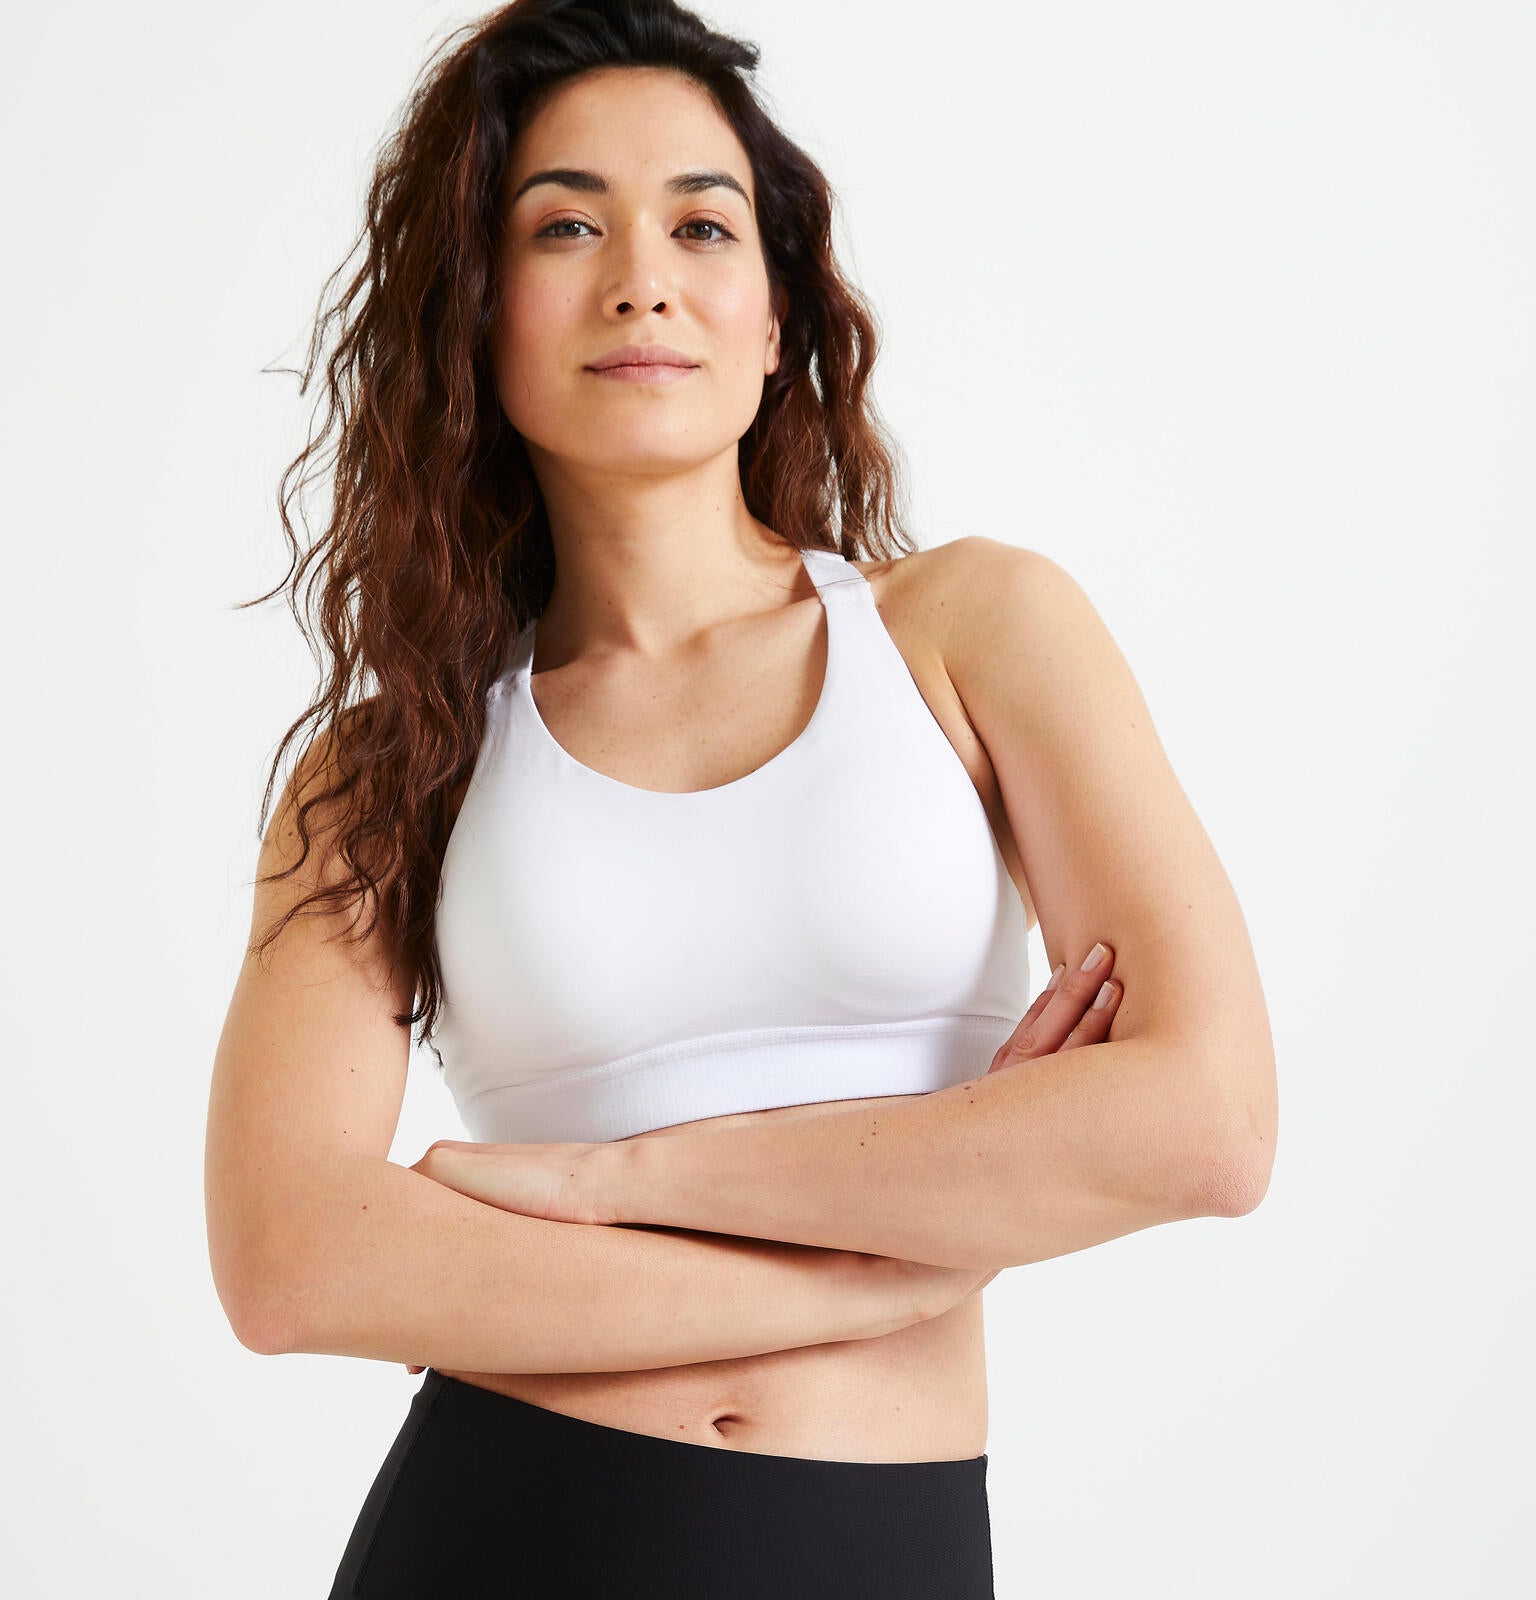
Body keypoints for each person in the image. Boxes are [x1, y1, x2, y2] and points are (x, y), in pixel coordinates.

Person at [206, 2, 1275, 1594]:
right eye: (566, 225)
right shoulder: (393, 766)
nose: (641, 277)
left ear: (778, 319)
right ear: (478, 318)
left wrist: (619, 1182)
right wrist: (875, 1269)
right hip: (498, 1534)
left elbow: (1209, 1120)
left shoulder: (972, 631)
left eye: (701, 224)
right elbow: (291, 1259)